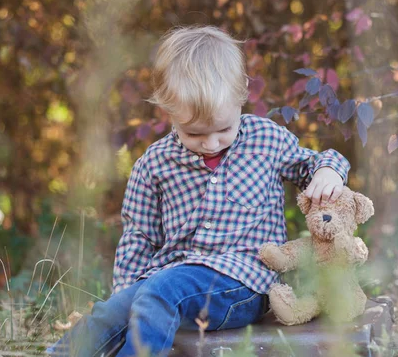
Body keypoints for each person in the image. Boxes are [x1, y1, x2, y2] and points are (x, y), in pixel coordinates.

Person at [47, 25, 350, 356]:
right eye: (194, 134)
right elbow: (139, 237)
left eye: (223, 130)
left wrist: (327, 171)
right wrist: (126, 297)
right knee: (112, 311)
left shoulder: (266, 140)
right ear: (168, 110)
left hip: (243, 283)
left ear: (242, 94)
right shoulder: (154, 164)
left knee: (160, 292)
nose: (210, 143)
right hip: (167, 281)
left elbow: (311, 164)